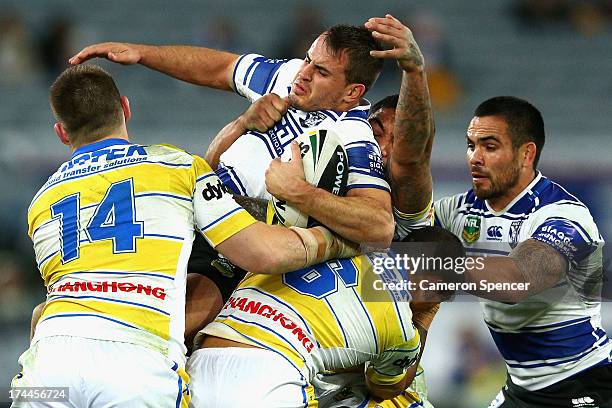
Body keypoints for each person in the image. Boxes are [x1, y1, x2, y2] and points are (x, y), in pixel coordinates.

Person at [11, 64, 357, 408]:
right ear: (126, 108)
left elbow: (49, 304)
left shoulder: (41, 202)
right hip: (136, 364)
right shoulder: (176, 166)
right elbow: (262, 253)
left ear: (62, 133)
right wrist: (336, 240)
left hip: (49, 366)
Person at [183, 15, 442, 408]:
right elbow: (213, 167)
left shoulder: (406, 205)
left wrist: (414, 69)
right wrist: (241, 127)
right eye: (372, 133)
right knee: (187, 316)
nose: (377, 146)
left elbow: (409, 161)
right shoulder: (334, 166)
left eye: (388, 137)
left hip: (354, 374)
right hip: (289, 354)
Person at [69, 23, 395, 247]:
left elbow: (380, 227)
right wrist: (141, 53)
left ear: (352, 92)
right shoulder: (288, 75)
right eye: (308, 60)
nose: (304, 74)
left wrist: (299, 193)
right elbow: (221, 68)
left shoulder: (353, 134)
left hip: (242, 241)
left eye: (321, 72)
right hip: (198, 208)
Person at [430, 96, 611, 407]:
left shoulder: (564, 215)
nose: (475, 157)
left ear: (527, 153)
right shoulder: (458, 210)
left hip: (584, 383)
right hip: (521, 389)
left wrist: (436, 265)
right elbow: (392, 228)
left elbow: (518, 280)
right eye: (471, 145)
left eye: (489, 146)